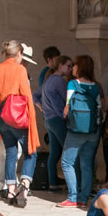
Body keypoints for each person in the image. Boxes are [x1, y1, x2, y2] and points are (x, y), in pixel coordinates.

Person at [0, 40, 39, 208]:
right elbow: (26, 95)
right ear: (19, 54)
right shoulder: (20, 69)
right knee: (31, 152)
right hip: (18, 117)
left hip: (2, 116)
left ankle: (10, 191)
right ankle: (24, 187)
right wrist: (31, 118)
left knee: (11, 152)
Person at [59, 54, 101, 208]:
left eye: (75, 65)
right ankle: (83, 199)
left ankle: (72, 197)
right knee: (86, 164)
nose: (73, 68)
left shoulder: (73, 84)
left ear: (80, 67)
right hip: (92, 131)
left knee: (66, 162)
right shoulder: (95, 86)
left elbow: (67, 106)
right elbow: (99, 108)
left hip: (76, 131)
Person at [34, 55, 73, 191]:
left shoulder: (48, 80)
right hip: (58, 119)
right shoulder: (59, 81)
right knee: (68, 152)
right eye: (68, 66)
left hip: (48, 119)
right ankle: (72, 185)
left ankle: (52, 183)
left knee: (55, 152)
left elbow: (35, 96)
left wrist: (42, 108)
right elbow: (68, 100)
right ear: (60, 65)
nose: (70, 69)